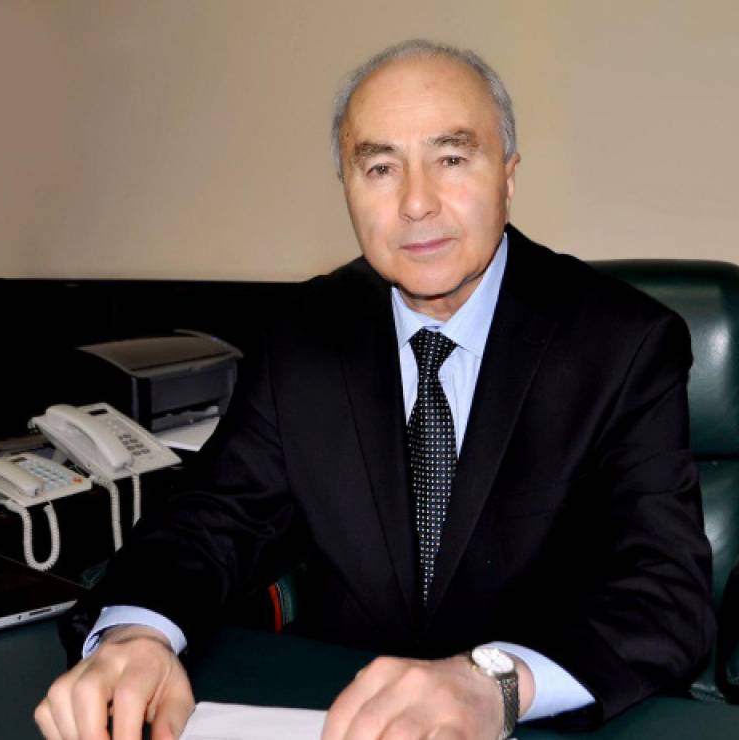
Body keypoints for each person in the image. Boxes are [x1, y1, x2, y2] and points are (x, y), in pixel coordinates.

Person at [35, 39, 714, 740]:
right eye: (381, 167)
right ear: (347, 188)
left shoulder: (622, 343)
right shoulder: (303, 334)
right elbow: (212, 519)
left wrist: (495, 684)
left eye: (452, 159)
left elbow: (666, 597)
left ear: (508, 176)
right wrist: (136, 636)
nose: (416, 203)